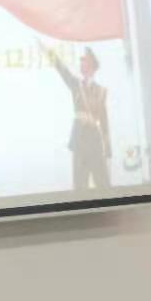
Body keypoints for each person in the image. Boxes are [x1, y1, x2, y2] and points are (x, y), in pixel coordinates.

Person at [48, 44, 112, 192]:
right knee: (79, 185)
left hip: (95, 141)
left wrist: (108, 152)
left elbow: (104, 122)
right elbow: (63, 71)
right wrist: (50, 54)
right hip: (79, 139)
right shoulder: (76, 85)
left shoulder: (101, 91)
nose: (81, 64)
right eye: (81, 62)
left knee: (103, 183)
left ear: (92, 66)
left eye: (85, 61)